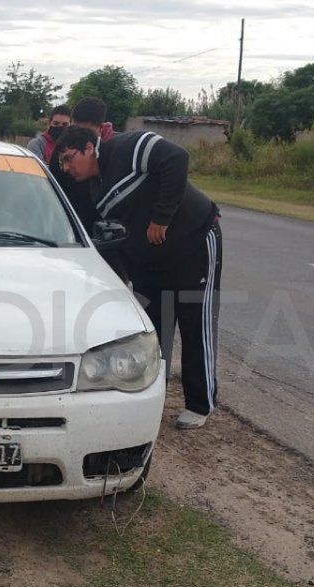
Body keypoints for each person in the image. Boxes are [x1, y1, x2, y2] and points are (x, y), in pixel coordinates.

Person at [57, 124, 222, 430]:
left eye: (69, 158)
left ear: (89, 148)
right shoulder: (92, 188)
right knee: (152, 328)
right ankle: (153, 396)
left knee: (194, 320)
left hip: (194, 240)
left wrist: (162, 217)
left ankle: (200, 403)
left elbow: (177, 158)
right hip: (152, 260)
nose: (66, 168)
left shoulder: (128, 147)